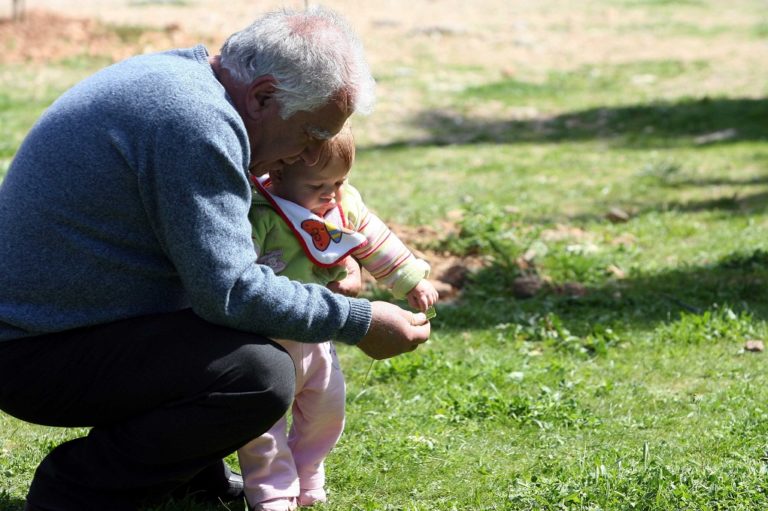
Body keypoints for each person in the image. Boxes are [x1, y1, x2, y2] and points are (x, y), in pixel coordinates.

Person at [0, 6, 431, 511]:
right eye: (312, 134)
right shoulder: (196, 123)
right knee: (258, 375)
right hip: (34, 352)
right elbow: (230, 291)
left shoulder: (188, 86)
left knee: (245, 334)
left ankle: (192, 480)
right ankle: (77, 491)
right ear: (264, 96)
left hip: (61, 330)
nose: (306, 155)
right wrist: (359, 321)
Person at [239, 125, 438, 511]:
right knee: (262, 425)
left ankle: (308, 470)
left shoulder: (340, 206)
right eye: (319, 185)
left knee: (326, 409)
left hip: (317, 333)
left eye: (340, 181)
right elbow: (241, 273)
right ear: (279, 172)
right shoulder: (258, 213)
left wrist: (409, 278)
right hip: (263, 339)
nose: (330, 193)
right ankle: (273, 491)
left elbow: (374, 238)